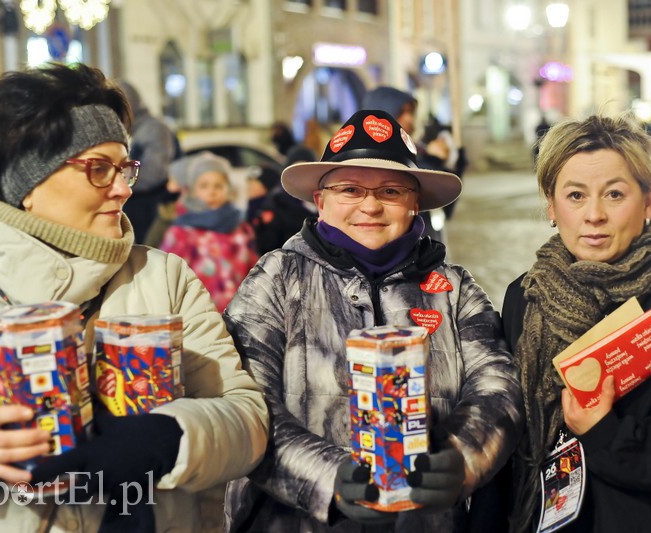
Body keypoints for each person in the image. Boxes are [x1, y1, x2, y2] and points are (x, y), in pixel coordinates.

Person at [0, 63, 269, 532]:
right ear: (30, 184)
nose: (124, 188)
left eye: (125, 167)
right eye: (99, 169)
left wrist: (175, 436)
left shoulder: (163, 277)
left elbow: (248, 421)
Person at [222, 109, 524, 531]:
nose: (370, 206)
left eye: (390, 191)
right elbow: (244, 401)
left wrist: (461, 456)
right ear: (321, 199)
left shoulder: (453, 290)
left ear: (413, 202)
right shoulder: (275, 278)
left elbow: (497, 385)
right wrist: (328, 478)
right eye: (349, 189)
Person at [471, 114, 651, 532]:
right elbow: (509, 441)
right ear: (551, 205)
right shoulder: (525, 297)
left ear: (648, 201)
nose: (594, 215)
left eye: (615, 194)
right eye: (575, 195)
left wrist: (606, 433)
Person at [361, 87, 467, 250]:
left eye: (411, 112)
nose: (409, 119)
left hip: (426, 246)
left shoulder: (418, 150)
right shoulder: (365, 156)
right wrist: (431, 160)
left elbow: (444, 206)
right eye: (401, 112)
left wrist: (454, 162)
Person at [160, 151, 258, 310]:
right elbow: (170, 276)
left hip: (239, 312)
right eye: (204, 186)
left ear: (228, 189)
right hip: (199, 314)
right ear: (192, 191)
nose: (212, 191)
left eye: (218, 186)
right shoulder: (182, 232)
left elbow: (253, 267)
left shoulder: (239, 227)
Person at [117, 80, 178, 244]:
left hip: (149, 212)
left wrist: (117, 181)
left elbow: (154, 173)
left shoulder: (153, 129)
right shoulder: (125, 129)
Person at [250, 144, 318, 254]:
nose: (301, 176)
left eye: (306, 170)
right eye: (296, 170)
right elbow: (267, 247)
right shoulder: (277, 204)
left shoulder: (323, 200)